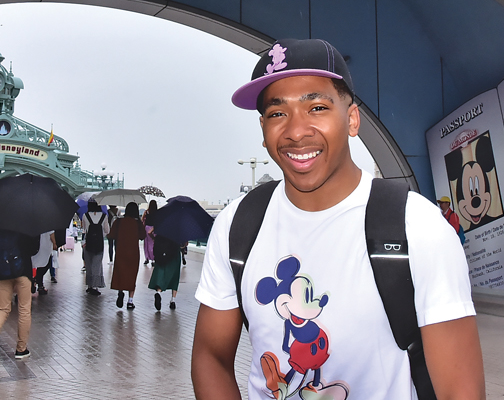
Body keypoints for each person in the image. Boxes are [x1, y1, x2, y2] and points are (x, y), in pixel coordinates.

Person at [192, 38, 484, 400]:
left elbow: (460, 390)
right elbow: (210, 355)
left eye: (316, 107)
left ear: (352, 119)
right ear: (263, 132)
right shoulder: (238, 225)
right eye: (277, 113)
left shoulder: (417, 227)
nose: (296, 131)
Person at [0, 227, 39, 363]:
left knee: (2, 308)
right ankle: (21, 349)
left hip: (2, 269)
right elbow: (34, 249)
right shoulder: (29, 220)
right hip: (23, 269)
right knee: (24, 309)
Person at [110, 202, 146, 310]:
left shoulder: (119, 221)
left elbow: (111, 235)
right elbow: (142, 236)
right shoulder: (137, 223)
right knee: (132, 275)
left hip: (121, 251)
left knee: (120, 273)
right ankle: (130, 301)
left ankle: (120, 292)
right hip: (133, 253)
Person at [150, 231, 183, 311]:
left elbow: (149, 232)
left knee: (162, 273)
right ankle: (172, 300)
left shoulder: (162, 223)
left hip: (162, 251)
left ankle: (158, 292)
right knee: (175, 275)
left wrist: (154, 238)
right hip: (174, 253)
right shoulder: (179, 227)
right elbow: (183, 244)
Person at [82, 200, 109, 295]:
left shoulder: (85, 215)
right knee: (97, 264)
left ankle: (89, 285)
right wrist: (101, 235)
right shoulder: (104, 216)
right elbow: (107, 230)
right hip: (99, 243)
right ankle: (95, 286)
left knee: (89, 264)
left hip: (88, 243)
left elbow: (84, 230)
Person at [32, 230, 57, 295]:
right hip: (45, 247)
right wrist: (54, 243)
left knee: (37, 265)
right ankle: (37, 282)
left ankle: (36, 283)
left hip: (35, 246)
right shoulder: (48, 223)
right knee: (46, 265)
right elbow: (51, 234)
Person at [142, 200, 157, 265]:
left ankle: (147, 258)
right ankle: (153, 258)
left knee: (146, 244)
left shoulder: (146, 212)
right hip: (154, 229)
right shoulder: (157, 213)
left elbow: (143, 220)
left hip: (147, 228)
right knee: (153, 244)